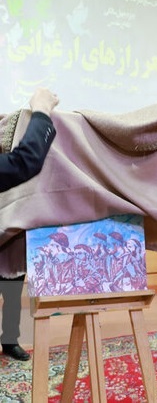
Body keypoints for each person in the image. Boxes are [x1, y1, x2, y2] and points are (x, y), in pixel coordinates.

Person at [0, 87, 58, 361]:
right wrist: (42, 109)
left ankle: (10, 340)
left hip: (11, 228)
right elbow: (24, 161)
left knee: (12, 289)